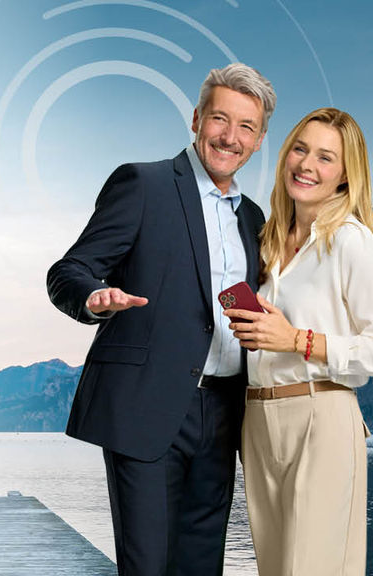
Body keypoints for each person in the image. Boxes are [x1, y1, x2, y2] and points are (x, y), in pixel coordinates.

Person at [47, 63, 275, 575]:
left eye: (246, 128)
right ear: (196, 119)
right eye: (220, 119)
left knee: (201, 565)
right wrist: (94, 296)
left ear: (260, 140)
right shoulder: (143, 184)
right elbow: (69, 270)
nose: (230, 137)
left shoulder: (255, 220)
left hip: (223, 413)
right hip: (144, 405)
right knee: (147, 565)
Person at [224, 107, 373, 576]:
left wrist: (296, 339)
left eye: (326, 157)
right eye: (300, 150)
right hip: (259, 420)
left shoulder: (351, 241)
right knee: (276, 568)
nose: (307, 165)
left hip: (320, 415)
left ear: (346, 176)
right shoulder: (267, 242)